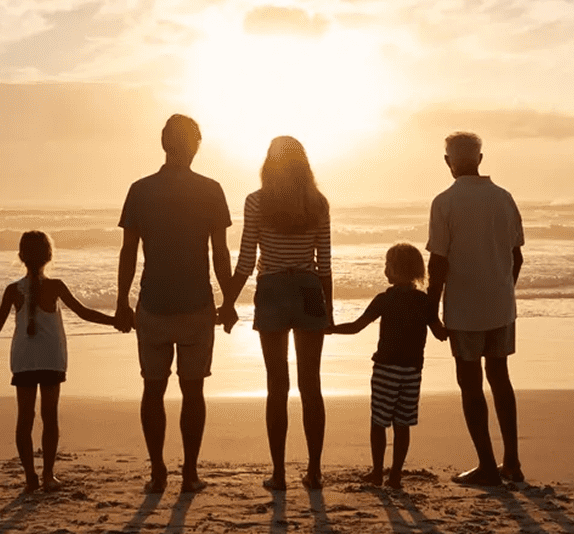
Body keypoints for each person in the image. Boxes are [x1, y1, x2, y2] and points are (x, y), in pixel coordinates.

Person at [116, 114, 233, 494]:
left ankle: (157, 471)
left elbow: (129, 253)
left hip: (152, 302)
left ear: (163, 143)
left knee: (153, 388)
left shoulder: (140, 190)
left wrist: (122, 301)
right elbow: (220, 254)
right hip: (197, 303)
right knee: (193, 389)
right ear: (195, 145)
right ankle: (190, 473)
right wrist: (228, 299)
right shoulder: (211, 190)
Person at [220, 135, 333, 491]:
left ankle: (280, 473)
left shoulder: (257, 201)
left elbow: (246, 260)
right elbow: (325, 263)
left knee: (277, 386)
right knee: (311, 385)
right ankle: (314, 472)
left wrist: (227, 303)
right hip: (309, 288)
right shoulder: (318, 203)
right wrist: (327, 310)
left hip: (271, 291)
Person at [0, 231, 120, 493]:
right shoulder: (56, 286)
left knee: (24, 418)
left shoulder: (12, 290)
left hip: (24, 359)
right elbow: (84, 313)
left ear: (21, 257)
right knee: (50, 417)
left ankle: (30, 477)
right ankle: (48, 474)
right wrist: (115, 321)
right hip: (52, 358)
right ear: (50, 256)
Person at [426, 132, 525, 487]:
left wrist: (431, 310)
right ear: (480, 159)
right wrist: (503, 290)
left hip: (464, 307)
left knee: (470, 383)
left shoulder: (445, 202)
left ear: (448, 161)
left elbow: (437, 262)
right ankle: (511, 460)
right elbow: (517, 256)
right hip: (500, 304)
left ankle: (486, 464)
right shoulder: (504, 199)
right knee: (500, 378)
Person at [327, 242, 442, 489]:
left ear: (397, 270)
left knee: (379, 422)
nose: (384, 271)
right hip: (412, 371)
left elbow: (357, 327)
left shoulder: (385, 299)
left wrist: (330, 329)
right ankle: (396, 475)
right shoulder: (424, 302)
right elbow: (440, 333)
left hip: (386, 369)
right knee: (403, 423)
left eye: (387, 266)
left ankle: (378, 471)